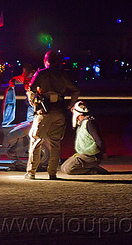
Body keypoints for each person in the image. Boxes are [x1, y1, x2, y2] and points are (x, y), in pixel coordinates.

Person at [25, 50, 81, 180]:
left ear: (45, 61)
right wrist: (70, 104)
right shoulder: (63, 75)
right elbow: (76, 90)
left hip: (44, 111)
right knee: (55, 142)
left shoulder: (41, 73)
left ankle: (31, 172)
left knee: (36, 139)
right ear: (57, 62)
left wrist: (33, 103)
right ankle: (52, 172)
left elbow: (31, 90)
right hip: (60, 111)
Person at [61, 101, 108, 175]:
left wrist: (103, 153)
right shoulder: (81, 124)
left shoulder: (89, 123)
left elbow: (98, 139)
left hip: (91, 156)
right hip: (83, 154)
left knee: (69, 169)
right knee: (63, 167)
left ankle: (93, 169)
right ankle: (90, 167)